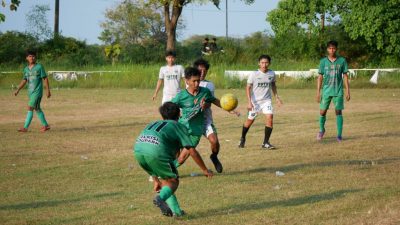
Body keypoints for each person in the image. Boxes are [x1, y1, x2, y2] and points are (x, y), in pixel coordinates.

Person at [134, 102, 213, 217]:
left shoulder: (153, 123)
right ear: (179, 114)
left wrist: (156, 180)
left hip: (138, 151)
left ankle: (177, 213)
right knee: (173, 182)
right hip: (156, 152)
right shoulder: (178, 126)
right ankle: (160, 199)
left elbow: (148, 146)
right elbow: (191, 150)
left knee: (166, 183)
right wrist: (205, 170)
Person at [171, 67, 228, 173]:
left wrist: (228, 108)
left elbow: (215, 101)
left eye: (198, 80)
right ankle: (166, 172)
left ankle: (163, 173)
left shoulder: (205, 92)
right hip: (182, 129)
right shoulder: (181, 96)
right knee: (175, 154)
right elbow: (170, 108)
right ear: (187, 81)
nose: (197, 83)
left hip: (195, 131)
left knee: (182, 158)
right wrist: (174, 117)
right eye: (194, 81)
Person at [193, 59, 239, 173]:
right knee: (185, 147)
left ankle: (214, 156)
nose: (202, 72)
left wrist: (228, 109)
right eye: (200, 69)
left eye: (205, 70)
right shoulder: (189, 82)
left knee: (214, 142)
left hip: (205, 120)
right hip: (192, 121)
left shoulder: (209, 85)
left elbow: (212, 101)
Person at [238, 54, 283, 149]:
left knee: (270, 117)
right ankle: (242, 138)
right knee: (249, 121)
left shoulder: (272, 73)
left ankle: (265, 143)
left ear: (269, 63)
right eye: (262, 62)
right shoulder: (254, 74)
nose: (264, 64)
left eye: (266, 62)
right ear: (259, 63)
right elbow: (248, 87)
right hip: (255, 102)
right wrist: (249, 102)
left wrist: (277, 97)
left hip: (266, 101)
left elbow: (273, 85)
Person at [316, 40, 350, 142]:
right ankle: (321, 130)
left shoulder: (342, 61)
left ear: (336, 49)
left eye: (334, 48)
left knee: (338, 112)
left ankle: (339, 135)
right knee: (322, 112)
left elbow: (345, 76)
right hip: (326, 91)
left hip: (338, 91)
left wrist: (348, 91)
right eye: (330, 48)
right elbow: (320, 77)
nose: (332, 50)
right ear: (327, 49)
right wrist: (318, 92)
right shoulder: (323, 62)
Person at [14, 50, 51, 132]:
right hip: (30, 92)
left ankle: (25, 128)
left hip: (37, 92)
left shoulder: (39, 67)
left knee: (30, 107)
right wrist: (18, 90)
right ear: (27, 58)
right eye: (30, 56)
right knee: (37, 109)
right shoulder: (26, 69)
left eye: (33, 56)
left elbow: (45, 78)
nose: (32, 58)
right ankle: (46, 125)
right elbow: (24, 80)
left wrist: (48, 90)